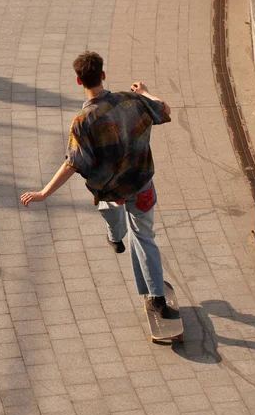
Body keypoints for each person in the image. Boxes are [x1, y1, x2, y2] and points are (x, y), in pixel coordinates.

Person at [21, 51, 175, 319]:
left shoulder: (83, 122)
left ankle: (115, 237)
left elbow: (73, 162)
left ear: (79, 81)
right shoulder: (131, 100)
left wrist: (44, 193)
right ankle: (156, 299)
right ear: (103, 75)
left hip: (110, 190)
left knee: (109, 207)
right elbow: (164, 110)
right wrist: (147, 92)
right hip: (140, 184)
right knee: (144, 237)